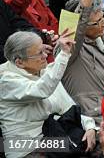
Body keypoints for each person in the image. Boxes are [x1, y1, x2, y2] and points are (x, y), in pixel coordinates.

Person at [0, 30, 97, 158]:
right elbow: (41, 90)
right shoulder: (6, 80)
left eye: (43, 50)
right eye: (39, 53)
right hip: (25, 148)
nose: (45, 56)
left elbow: (68, 110)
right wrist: (64, 54)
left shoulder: (45, 73)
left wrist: (90, 127)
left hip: (54, 137)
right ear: (19, 62)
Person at [60, 0, 104, 124]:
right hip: (93, 120)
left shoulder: (103, 40)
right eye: (97, 22)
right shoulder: (67, 48)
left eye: (103, 18)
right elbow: (72, 27)